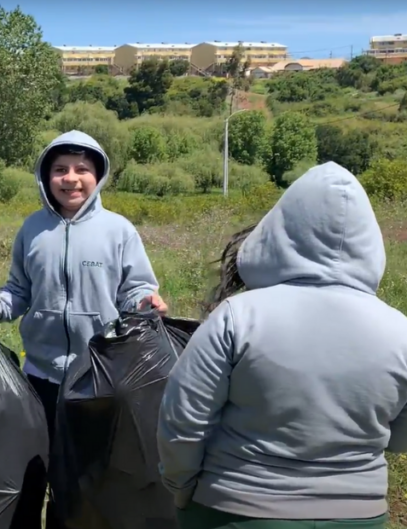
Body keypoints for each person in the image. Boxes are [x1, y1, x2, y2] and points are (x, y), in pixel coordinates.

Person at [157, 161, 407, 529]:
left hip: (234, 508)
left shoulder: (236, 316)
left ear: (281, 228)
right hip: (358, 513)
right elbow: (400, 437)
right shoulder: (399, 329)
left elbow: (183, 420)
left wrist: (181, 489)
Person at [0, 130, 167, 528]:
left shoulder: (118, 230)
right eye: (60, 170)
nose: (70, 178)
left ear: (98, 176)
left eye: (81, 169)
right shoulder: (33, 230)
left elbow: (136, 289)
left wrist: (146, 302)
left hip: (99, 381)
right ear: (46, 177)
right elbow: (18, 290)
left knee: (82, 478)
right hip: (40, 376)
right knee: (31, 470)